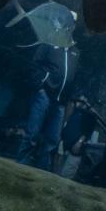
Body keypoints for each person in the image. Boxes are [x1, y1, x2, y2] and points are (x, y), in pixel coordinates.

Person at [16, 41, 79, 171]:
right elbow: (34, 64)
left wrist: (68, 97)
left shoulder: (75, 52)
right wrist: (40, 85)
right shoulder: (49, 43)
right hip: (45, 93)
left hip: (60, 100)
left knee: (53, 138)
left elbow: (73, 76)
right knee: (33, 131)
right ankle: (21, 165)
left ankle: (42, 172)